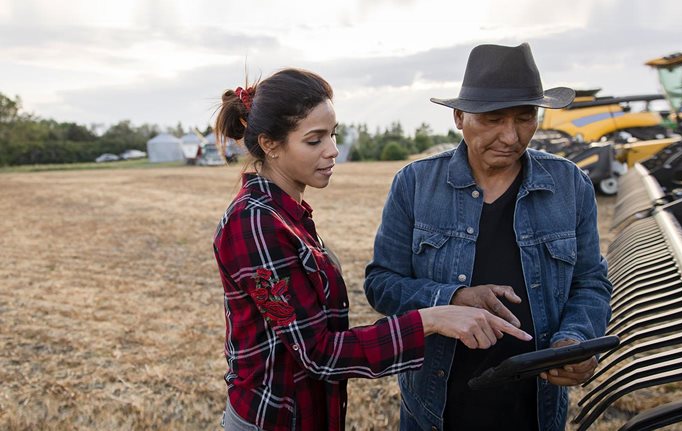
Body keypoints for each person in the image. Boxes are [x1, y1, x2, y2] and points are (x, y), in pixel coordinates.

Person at [212, 68, 532, 431]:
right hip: (273, 419)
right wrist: (433, 319)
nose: (333, 151)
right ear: (270, 144)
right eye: (314, 140)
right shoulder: (255, 224)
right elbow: (318, 353)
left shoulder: (287, 214)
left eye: (332, 134)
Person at [364, 44, 613, 431]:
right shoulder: (415, 184)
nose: (511, 136)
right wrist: (453, 298)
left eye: (525, 117)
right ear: (459, 117)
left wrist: (576, 340)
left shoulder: (570, 185)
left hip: (535, 407)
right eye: (494, 119)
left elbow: (590, 282)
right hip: (437, 406)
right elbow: (381, 285)